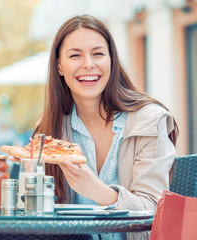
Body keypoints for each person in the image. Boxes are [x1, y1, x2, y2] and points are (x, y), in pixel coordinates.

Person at [32, 14, 179, 211]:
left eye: (98, 54)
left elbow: (154, 209)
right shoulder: (49, 129)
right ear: (59, 65)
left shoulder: (149, 121)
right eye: (75, 55)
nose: (88, 64)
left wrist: (96, 191)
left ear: (111, 60)